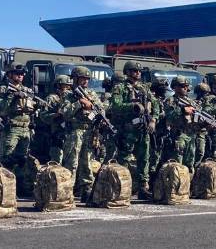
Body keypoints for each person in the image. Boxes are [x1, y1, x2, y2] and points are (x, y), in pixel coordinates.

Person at [110, 61, 159, 200]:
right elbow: (115, 106)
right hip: (128, 129)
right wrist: (132, 106)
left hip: (144, 129)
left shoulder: (144, 88)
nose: (137, 73)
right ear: (127, 72)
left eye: (138, 71)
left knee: (144, 159)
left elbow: (155, 106)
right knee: (124, 159)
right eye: (134, 71)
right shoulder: (120, 88)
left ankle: (143, 187)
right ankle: (122, 186)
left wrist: (153, 120)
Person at [61, 66, 105, 202]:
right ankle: (67, 191)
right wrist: (79, 103)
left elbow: (101, 109)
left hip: (89, 131)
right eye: (82, 78)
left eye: (87, 79)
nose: (85, 81)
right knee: (71, 162)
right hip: (75, 131)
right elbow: (64, 112)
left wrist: (92, 108)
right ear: (75, 79)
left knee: (87, 163)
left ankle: (87, 190)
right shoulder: (68, 94)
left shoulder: (92, 94)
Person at [0, 63, 37, 196]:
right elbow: (0, 109)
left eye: (22, 74)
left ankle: (19, 188)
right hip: (12, 128)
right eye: (17, 73)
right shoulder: (4, 89)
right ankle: (3, 188)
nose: (20, 76)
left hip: (25, 129)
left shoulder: (27, 90)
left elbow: (31, 108)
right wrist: (12, 96)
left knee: (22, 160)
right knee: (7, 159)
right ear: (10, 74)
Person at [164, 76, 202, 172]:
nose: (185, 88)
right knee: (177, 166)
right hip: (178, 136)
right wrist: (182, 110)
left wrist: (203, 123)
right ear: (175, 87)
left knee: (190, 165)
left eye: (186, 86)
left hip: (191, 136)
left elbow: (197, 119)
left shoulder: (191, 102)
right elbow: (168, 116)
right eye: (182, 86)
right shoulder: (170, 101)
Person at [39, 75, 73, 164]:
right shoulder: (52, 98)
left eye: (69, 86)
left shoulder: (71, 98)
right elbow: (43, 116)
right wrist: (56, 115)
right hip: (57, 133)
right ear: (58, 86)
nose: (67, 89)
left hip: (70, 134)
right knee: (57, 160)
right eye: (65, 86)